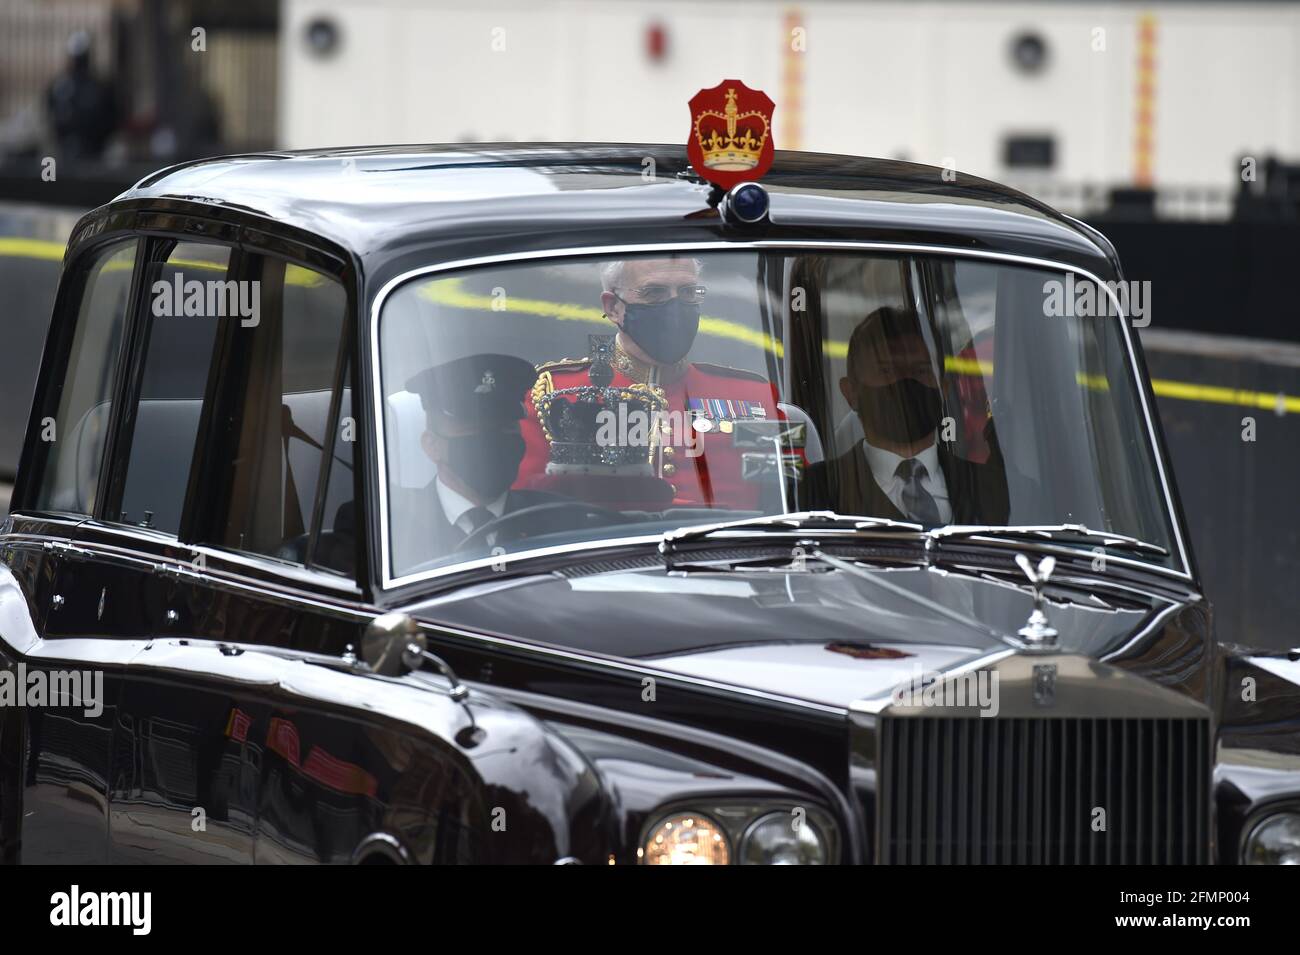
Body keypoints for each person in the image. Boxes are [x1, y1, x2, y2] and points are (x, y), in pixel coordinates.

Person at [518, 256, 781, 509]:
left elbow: (793, 502)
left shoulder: (754, 396)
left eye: (688, 292)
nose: (675, 307)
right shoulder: (554, 393)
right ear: (613, 307)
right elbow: (526, 513)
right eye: (654, 293)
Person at [822, 306, 1008, 526]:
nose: (906, 383)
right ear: (851, 392)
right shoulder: (814, 493)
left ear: (944, 388)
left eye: (920, 371)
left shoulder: (997, 490)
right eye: (888, 371)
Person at [393, 354, 555, 570]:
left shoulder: (557, 521)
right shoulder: (390, 527)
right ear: (432, 445)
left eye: (505, 426)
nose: (492, 440)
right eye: (473, 427)